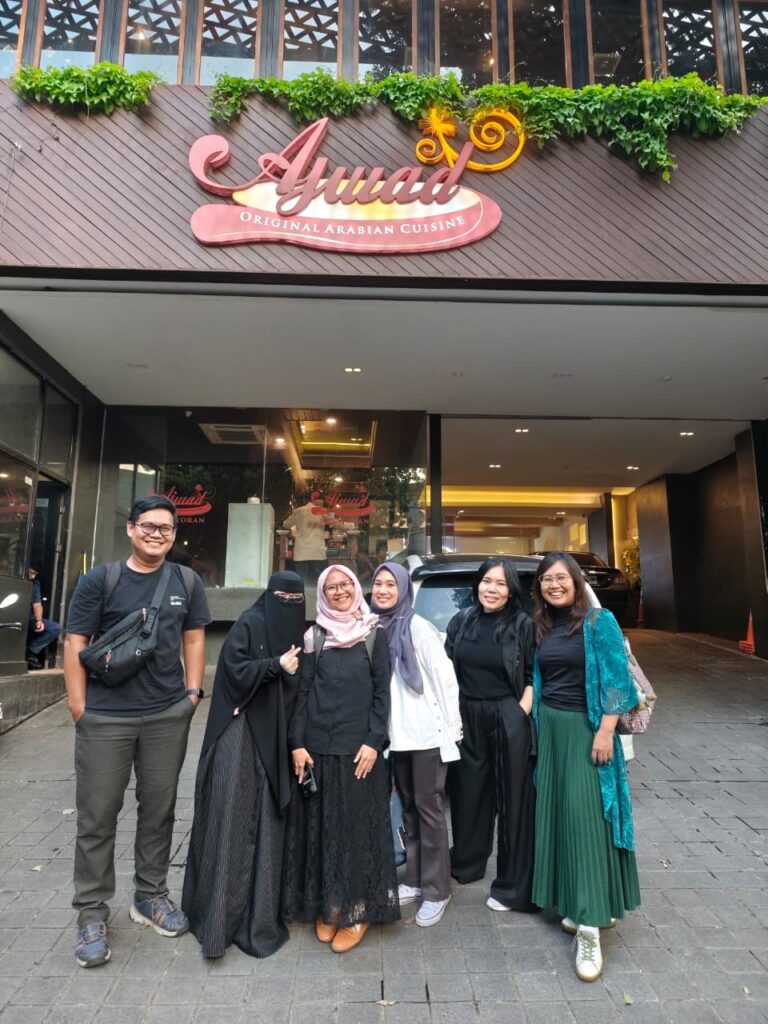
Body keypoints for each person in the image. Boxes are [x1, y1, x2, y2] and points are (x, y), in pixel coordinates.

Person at [63, 495, 211, 969]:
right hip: (104, 718)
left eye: (165, 528)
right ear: (130, 529)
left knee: (159, 811)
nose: (156, 534)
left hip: (166, 715)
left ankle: (150, 896)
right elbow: (75, 641)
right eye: (148, 526)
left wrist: (192, 694)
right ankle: (91, 912)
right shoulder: (100, 580)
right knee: (97, 816)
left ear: (173, 535)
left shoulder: (187, 581)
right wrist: (79, 707)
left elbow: (194, 638)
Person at [183, 571, 305, 958]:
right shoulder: (250, 623)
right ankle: (220, 920)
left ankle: (260, 914)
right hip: (240, 737)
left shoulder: (301, 636)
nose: (288, 605)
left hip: (275, 743)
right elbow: (232, 671)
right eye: (282, 597)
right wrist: (273, 665)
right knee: (232, 825)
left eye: (296, 600)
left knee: (267, 826)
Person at [531, 552, 640, 982]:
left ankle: (590, 928)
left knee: (587, 822)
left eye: (561, 578)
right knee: (561, 819)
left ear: (577, 582)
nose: (554, 585)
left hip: (586, 730)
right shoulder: (543, 626)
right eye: (546, 579)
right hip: (551, 732)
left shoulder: (599, 622)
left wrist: (605, 731)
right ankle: (581, 907)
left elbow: (619, 682)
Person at [282, 563, 399, 952]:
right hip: (318, 749)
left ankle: (358, 908)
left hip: (359, 752)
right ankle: (331, 904)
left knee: (356, 830)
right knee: (325, 830)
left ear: (355, 587)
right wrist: (297, 743)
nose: (339, 592)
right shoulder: (314, 636)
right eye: (330, 587)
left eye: (345, 584)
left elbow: (382, 694)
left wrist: (374, 741)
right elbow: (302, 693)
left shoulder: (373, 634)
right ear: (322, 594)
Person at [370, 562, 462, 928]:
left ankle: (437, 889)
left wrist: (452, 730)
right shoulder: (375, 626)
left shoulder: (417, 627)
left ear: (403, 589)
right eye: (378, 583)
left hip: (425, 734)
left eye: (390, 584)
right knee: (408, 808)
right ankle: (415, 877)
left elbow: (445, 679)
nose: (383, 590)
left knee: (429, 810)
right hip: (397, 738)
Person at [444, 557, 536, 912]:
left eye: (500, 583)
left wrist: (519, 712)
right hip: (467, 716)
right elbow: (446, 671)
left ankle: (512, 883)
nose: (492, 589)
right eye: (486, 581)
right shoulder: (461, 621)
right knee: (468, 793)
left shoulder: (523, 625)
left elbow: (533, 674)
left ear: (511, 590)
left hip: (507, 713)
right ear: (477, 584)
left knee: (512, 800)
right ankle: (466, 864)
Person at [283, 492, 327, 583]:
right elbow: (336, 523)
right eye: (321, 500)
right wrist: (349, 528)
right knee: (320, 581)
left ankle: (303, 592)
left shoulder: (299, 511)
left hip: (302, 553)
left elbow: (286, 524)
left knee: (302, 581)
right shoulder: (322, 512)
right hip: (317, 552)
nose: (323, 502)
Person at [26, 568, 62, 669]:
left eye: (35, 574)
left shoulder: (35, 584)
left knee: (55, 628)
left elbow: (37, 604)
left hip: (28, 617)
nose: (33, 576)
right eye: (32, 573)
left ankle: (31, 651)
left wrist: (39, 621)